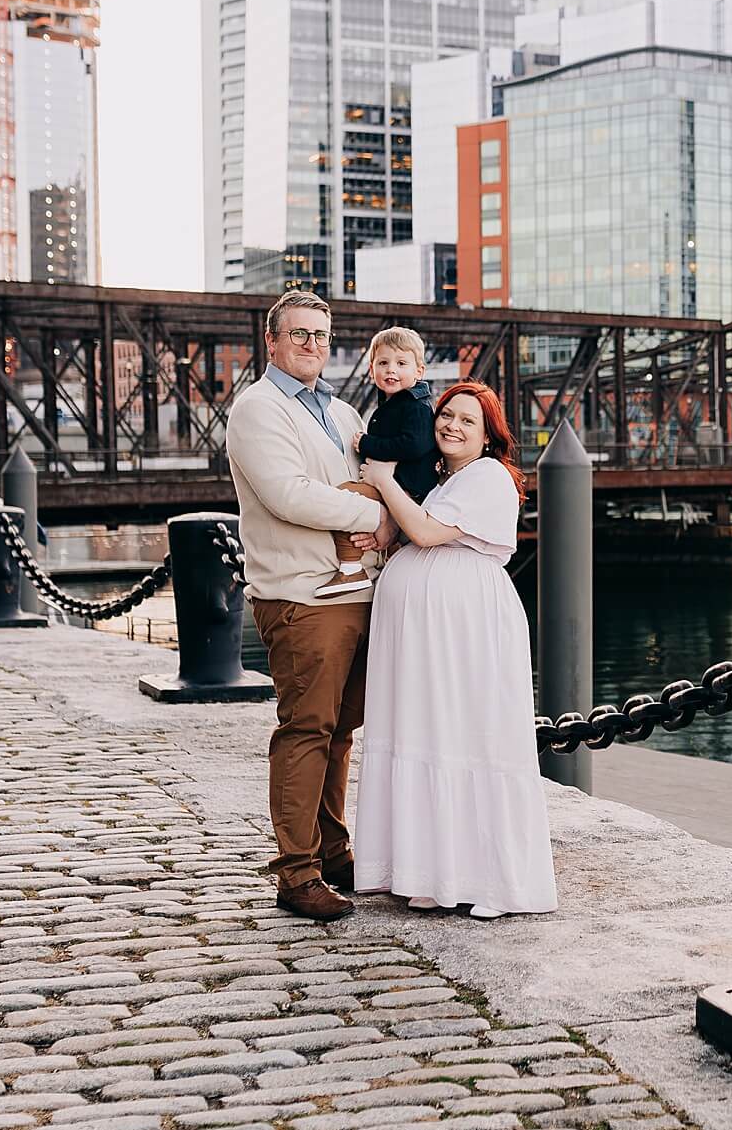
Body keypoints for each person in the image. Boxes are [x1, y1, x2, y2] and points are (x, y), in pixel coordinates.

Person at [352, 381, 556, 918]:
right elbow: (415, 531)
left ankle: (481, 878)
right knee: (430, 732)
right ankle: (431, 868)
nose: (452, 426)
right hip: (431, 634)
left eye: (468, 420)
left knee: (465, 736)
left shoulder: (489, 475)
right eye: (446, 416)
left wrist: (382, 479)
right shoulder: (450, 480)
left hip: (463, 630)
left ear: (489, 436)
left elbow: (424, 532)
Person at [224, 289, 385, 923]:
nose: (311, 344)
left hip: (356, 590)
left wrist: (372, 506)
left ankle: (333, 848)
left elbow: (367, 475)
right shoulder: (257, 410)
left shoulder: (342, 413)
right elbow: (290, 496)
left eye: (320, 334)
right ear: (272, 341)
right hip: (303, 595)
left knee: (341, 730)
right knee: (307, 730)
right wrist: (377, 514)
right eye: (298, 334)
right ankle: (295, 873)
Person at [315, 326, 437, 598]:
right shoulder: (392, 405)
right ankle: (389, 568)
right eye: (383, 363)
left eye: (401, 363)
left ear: (419, 372)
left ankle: (349, 568)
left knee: (348, 494)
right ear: (372, 371)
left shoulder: (416, 406)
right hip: (394, 485)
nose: (391, 369)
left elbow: (414, 444)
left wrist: (367, 444)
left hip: (410, 488)